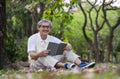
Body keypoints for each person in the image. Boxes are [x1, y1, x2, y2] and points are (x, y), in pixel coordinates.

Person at [27, 19, 95, 71]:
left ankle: (81, 64)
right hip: (36, 65)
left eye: (47, 27)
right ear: (39, 28)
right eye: (43, 27)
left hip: (52, 63)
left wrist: (68, 46)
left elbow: (66, 45)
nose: (45, 29)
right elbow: (32, 56)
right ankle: (66, 65)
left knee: (64, 49)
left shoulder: (52, 38)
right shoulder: (32, 38)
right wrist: (39, 54)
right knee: (43, 56)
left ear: (50, 29)